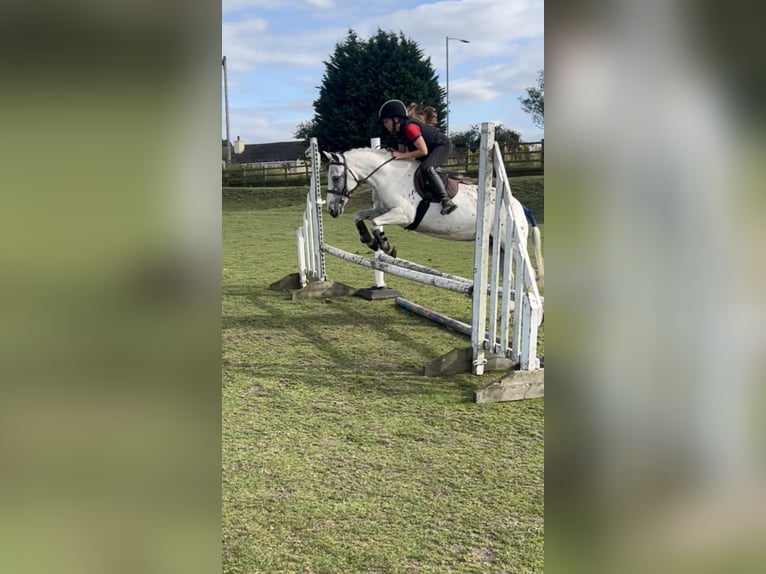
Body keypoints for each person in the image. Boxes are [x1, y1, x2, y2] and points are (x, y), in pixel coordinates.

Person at [378, 99, 457, 215]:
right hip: (430, 149)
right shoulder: (400, 134)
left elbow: (423, 151)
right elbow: (402, 154)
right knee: (416, 169)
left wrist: (402, 155)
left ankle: (446, 200)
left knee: (426, 168)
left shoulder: (410, 128)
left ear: (395, 119)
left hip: (442, 145)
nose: (385, 125)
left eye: (386, 122)